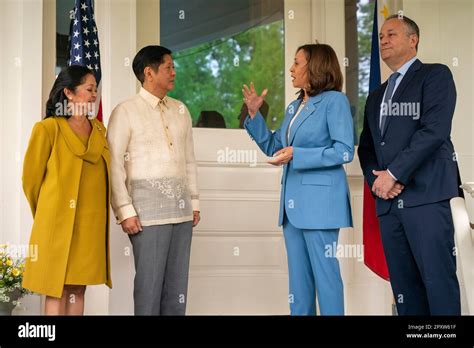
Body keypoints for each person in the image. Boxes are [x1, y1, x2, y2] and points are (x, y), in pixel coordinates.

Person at [358, 15, 462, 315]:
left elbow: (434, 130)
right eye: (380, 36)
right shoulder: (376, 96)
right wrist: (378, 181)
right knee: (405, 288)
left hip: (427, 197)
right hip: (389, 205)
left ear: (412, 40)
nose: (383, 40)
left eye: (391, 34)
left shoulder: (435, 76)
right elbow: (367, 148)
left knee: (437, 282)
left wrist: (393, 174)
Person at [243, 44, 354, 315]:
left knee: (326, 280)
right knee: (299, 285)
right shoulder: (294, 107)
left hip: (321, 206)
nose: (291, 69)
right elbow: (274, 147)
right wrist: (255, 115)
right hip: (291, 210)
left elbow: (344, 150)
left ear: (315, 67)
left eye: (297, 63)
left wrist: (299, 154)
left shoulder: (334, 101)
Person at [107, 45, 200, 315]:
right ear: (149, 72)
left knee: (177, 290)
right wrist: (124, 210)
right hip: (146, 215)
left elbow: (189, 160)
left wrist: (194, 202)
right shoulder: (125, 111)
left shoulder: (181, 110)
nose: (174, 72)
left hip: (181, 214)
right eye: (168, 67)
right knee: (148, 289)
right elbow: (114, 164)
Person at [22, 65, 112, 315]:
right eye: (89, 89)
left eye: (96, 89)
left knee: (78, 288)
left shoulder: (99, 131)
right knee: (57, 287)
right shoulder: (47, 129)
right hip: (55, 225)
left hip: (89, 225)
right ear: (69, 93)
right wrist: (48, 215)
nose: (94, 95)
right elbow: (30, 181)